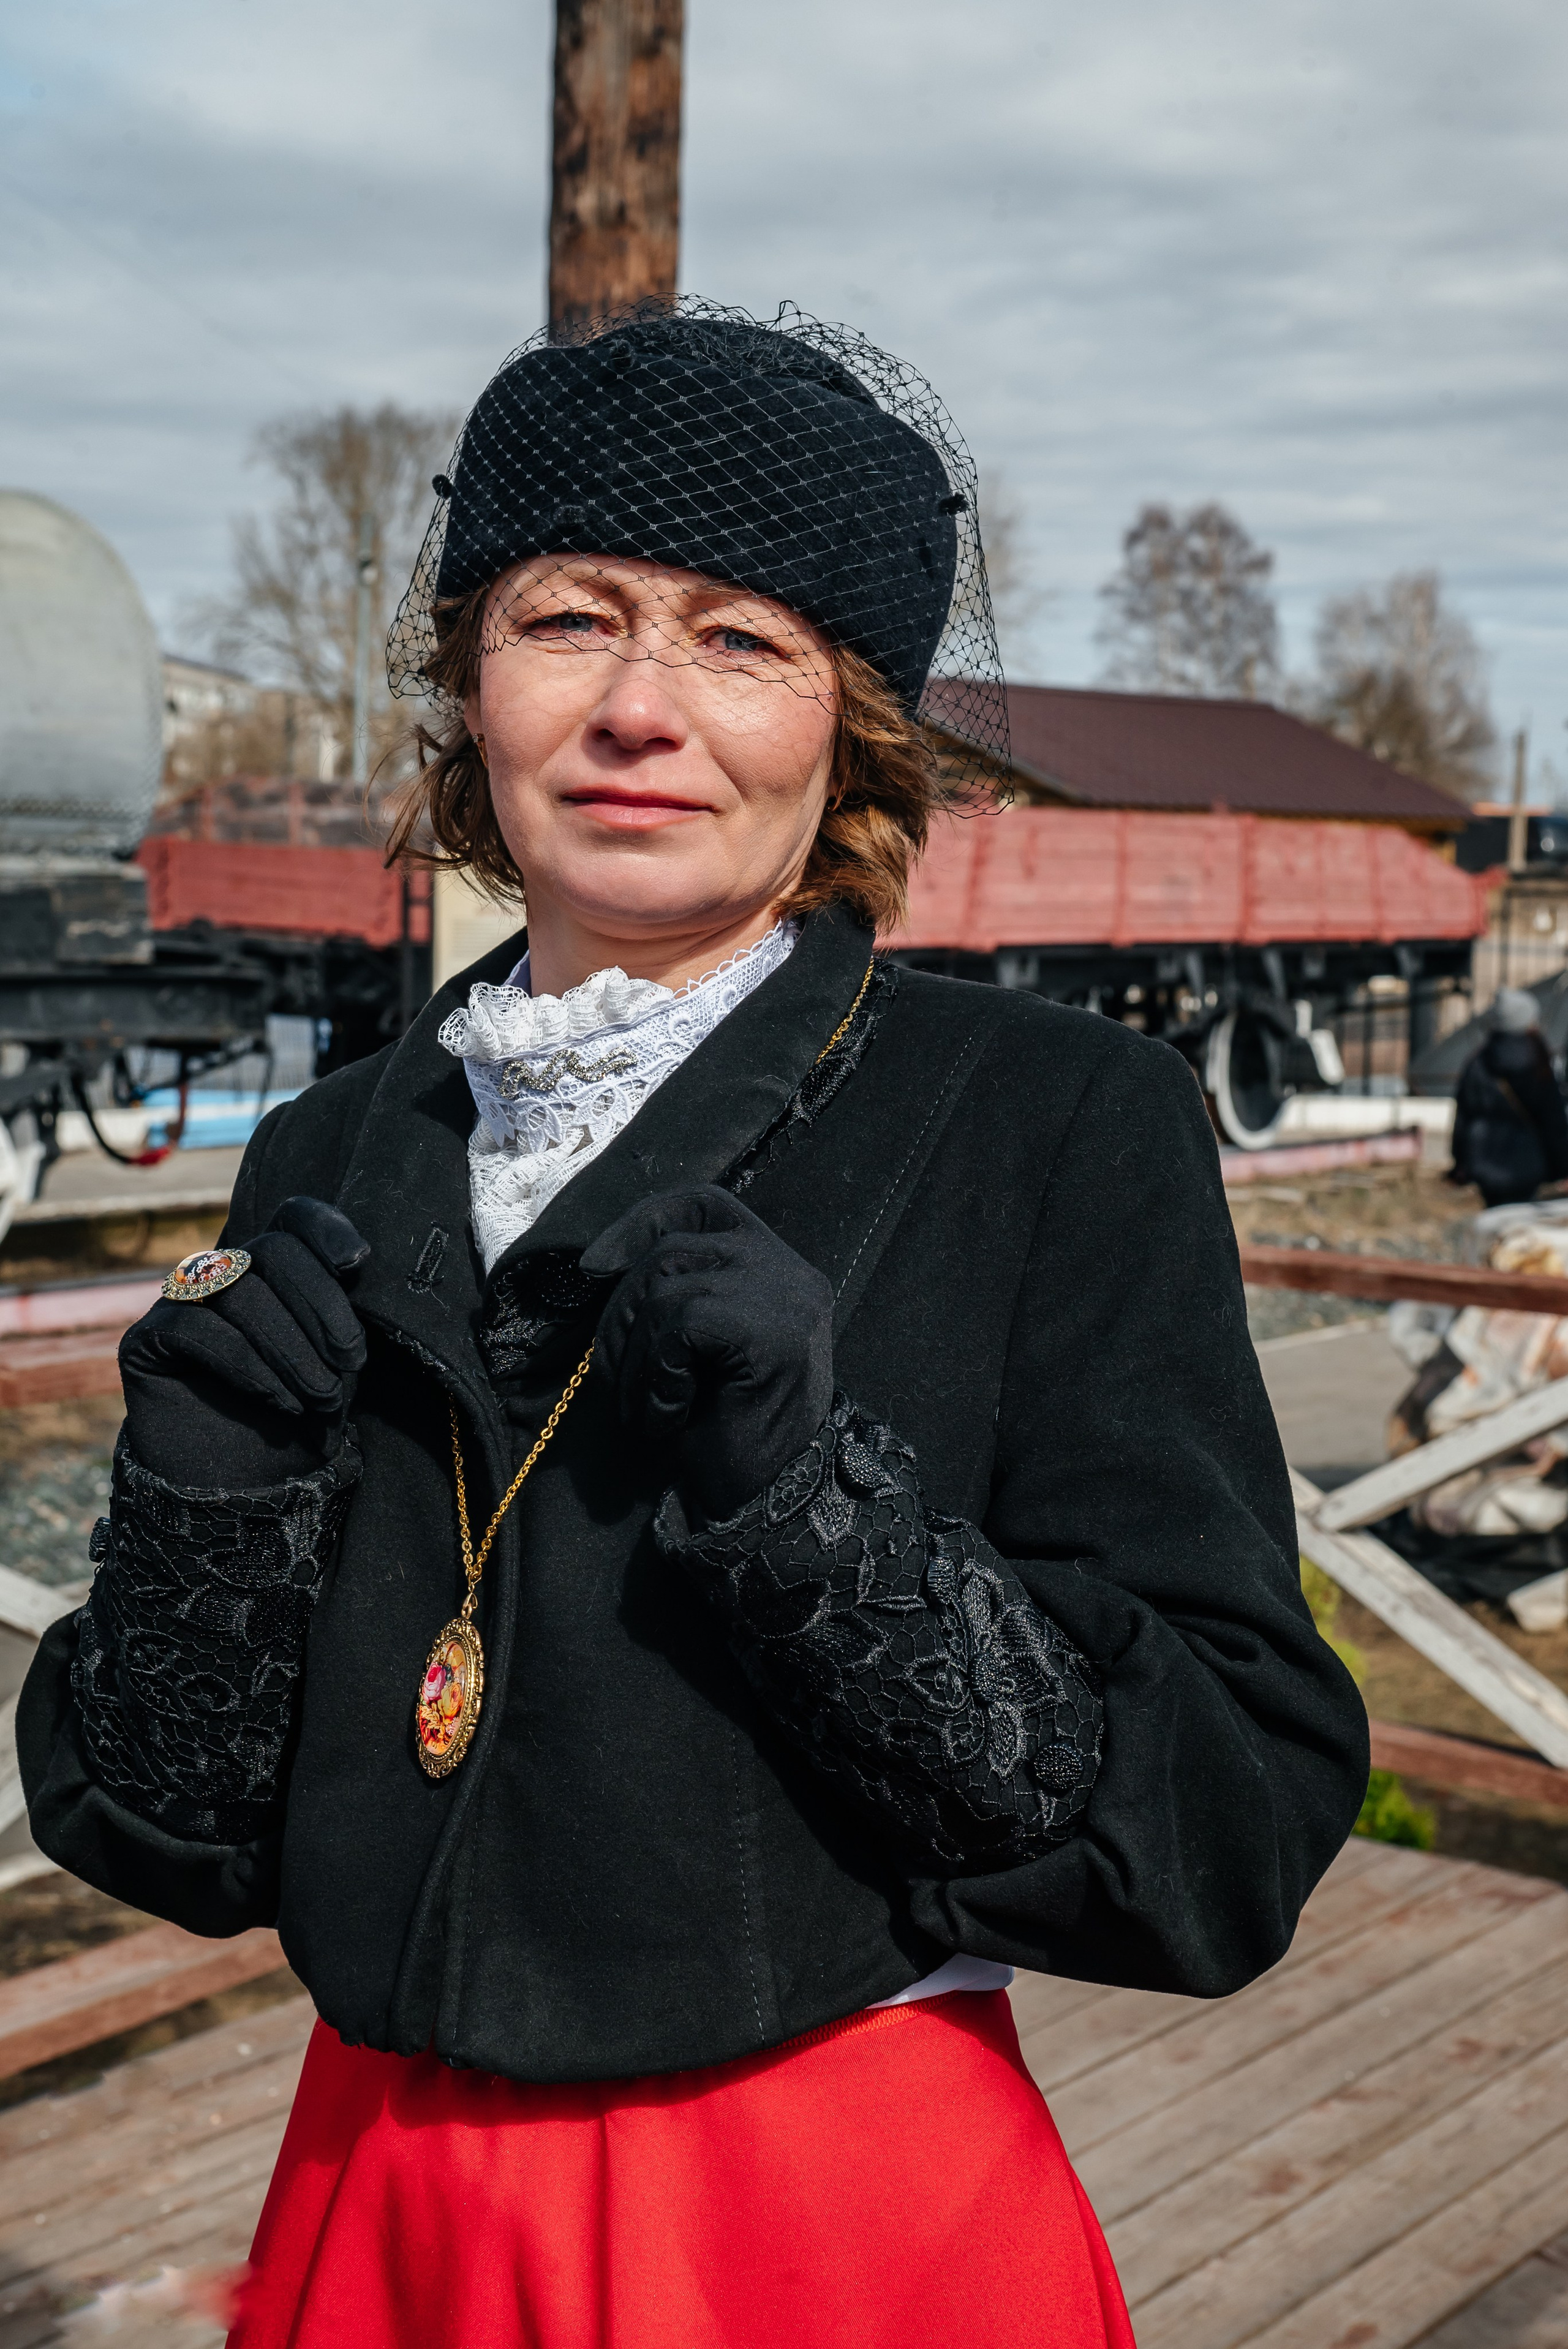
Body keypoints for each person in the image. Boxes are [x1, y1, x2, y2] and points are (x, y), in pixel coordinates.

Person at [21, 303, 1368, 2349]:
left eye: (745, 641)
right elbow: (177, 1835)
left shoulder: (1055, 1118)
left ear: (850, 728)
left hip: (823, 2215)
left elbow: (1231, 1825)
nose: (642, 706)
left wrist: (813, 1503)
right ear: (472, 683)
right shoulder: (325, 1140)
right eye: (572, 619)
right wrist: (206, 1500)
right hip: (381, 2190)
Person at [1452, 986, 1568, 1208]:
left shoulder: (1478, 1061)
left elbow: (1463, 1117)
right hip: (1529, 1161)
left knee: (1495, 1218)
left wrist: (1460, 1163)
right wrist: (1562, 1165)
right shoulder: (1538, 1062)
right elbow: (1553, 1119)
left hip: (1483, 1159)